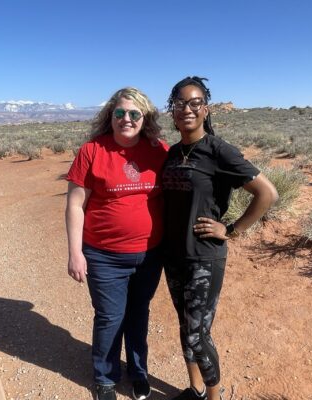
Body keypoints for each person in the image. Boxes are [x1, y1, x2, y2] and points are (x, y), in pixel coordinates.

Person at [162, 77, 278, 400]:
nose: (187, 108)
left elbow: (267, 193)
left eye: (194, 102)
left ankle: (215, 397)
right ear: (172, 111)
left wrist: (231, 229)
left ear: (205, 109)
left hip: (204, 258)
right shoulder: (172, 154)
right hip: (173, 257)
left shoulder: (219, 151)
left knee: (199, 335)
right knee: (185, 328)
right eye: (180, 103)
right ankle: (195, 390)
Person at [65, 87, 168, 400]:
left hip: (150, 253)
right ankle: (105, 378)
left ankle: (138, 372)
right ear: (109, 116)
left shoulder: (159, 150)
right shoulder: (92, 151)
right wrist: (75, 253)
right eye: (120, 113)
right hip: (103, 255)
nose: (127, 119)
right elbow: (74, 205)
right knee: (110, 317)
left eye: (134, 114)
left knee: (139, 313)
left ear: (144, 118)